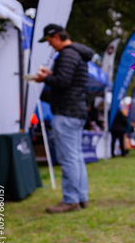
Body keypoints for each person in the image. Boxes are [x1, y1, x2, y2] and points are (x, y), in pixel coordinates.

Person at [35, 24, 93, 213]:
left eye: (50, 40)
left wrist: (44, 78)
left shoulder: (67, 54)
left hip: (66, 111)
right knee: (76, 157)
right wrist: (52, 75)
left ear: (57, 36)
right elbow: (68, 79)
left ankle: (70, 199)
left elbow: (63, 82)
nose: (50, 45)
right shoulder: (78, 54)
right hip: (76, 111)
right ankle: (81, 197)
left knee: (69, 158)